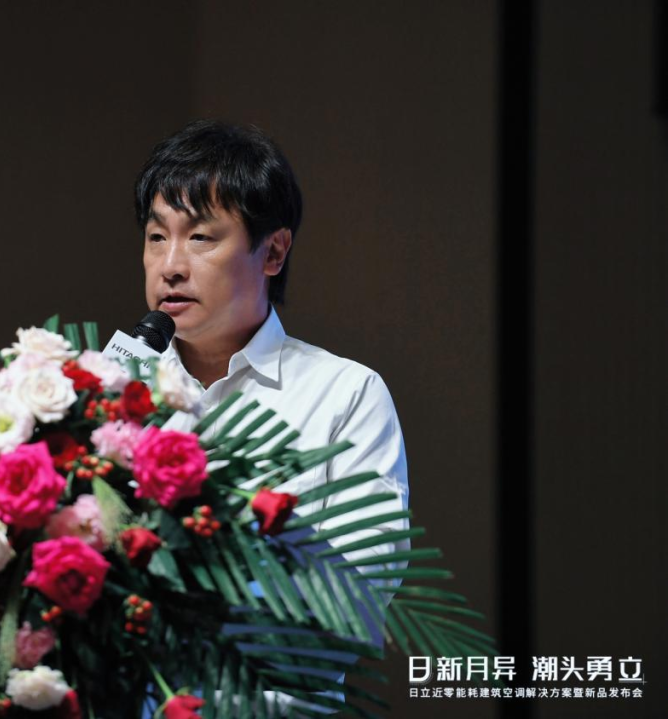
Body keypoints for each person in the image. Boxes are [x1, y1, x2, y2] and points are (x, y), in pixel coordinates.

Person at [135, 119, 411, 715]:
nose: (170, 265)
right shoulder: (106, 393)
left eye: (200, 237)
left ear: (274, 251)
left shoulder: (344, 395)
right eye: (157, 237)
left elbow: (349, 610)